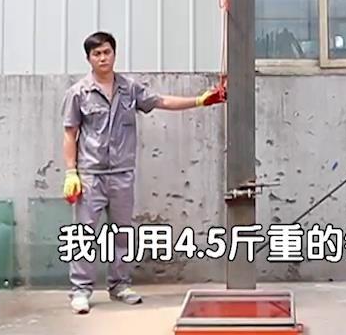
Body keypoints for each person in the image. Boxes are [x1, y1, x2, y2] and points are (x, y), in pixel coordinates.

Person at [61, 31, 227, 315]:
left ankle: (119, 285)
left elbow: (162, 102)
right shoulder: (78, 93)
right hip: (90, 175)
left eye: (107, 52)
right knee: (84, 234)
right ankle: (80, 290)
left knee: (122, 233)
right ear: (88, 58)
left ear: (114, 54)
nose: (103, 58)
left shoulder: (129, 89)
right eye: (96, 54)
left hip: (122, 173)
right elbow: (70, 133)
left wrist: (200, 100)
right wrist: (70, 172)